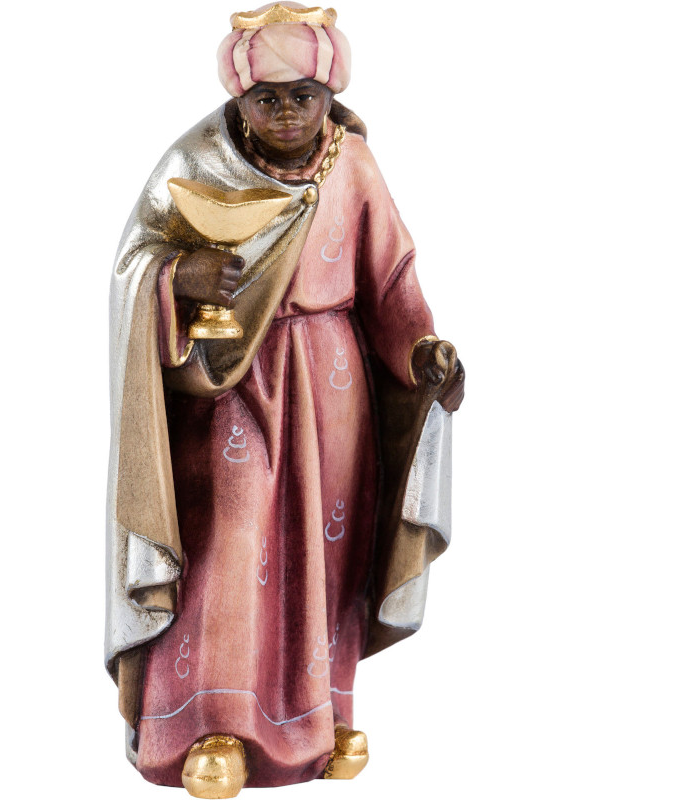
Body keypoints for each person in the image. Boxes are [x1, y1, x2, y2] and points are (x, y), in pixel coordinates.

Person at [105, 4, 465, 797]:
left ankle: (318, 717)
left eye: (304, 96)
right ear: (239, 99)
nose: (288, 113)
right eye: (266, 99)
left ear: (330, 94)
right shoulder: (197, 161)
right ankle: (210, 723)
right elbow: (134, 263)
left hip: (334, 387)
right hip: (233, 383)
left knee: (323, 549)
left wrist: (422, 353)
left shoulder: (353, 166)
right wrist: (181, 277)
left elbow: (390, 282)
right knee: (230, 540)